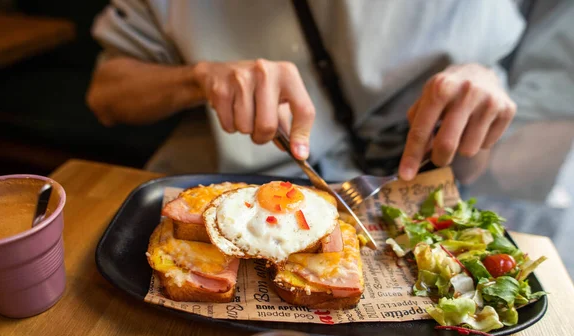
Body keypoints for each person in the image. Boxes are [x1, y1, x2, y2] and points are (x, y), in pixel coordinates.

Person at [86, 0, 524, 182]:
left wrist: (484, 88)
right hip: (223, 180)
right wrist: (197, 77)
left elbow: (468, 172)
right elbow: (105, 96)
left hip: (403, 195)